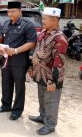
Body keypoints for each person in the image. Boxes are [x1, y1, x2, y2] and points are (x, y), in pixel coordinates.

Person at [0, 1, 37, 120]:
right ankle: (5, 105)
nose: (10, 13)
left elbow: (31, 43)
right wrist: (0, 49)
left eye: (13, 11)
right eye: (9, 11)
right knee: (6, 83)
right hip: (6, 60)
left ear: (20, 11)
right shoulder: (6, 24)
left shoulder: (27, 25)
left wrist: (16, 50)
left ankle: (17, 110)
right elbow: (3, 39)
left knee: (19, 86)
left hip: (19, 61)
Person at [28, 7, 68, 135]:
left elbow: (59, 62)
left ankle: (50, 125)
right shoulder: (43, 33)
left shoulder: (60, 38)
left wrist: (53, 80)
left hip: (51, 77)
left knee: (51, 101)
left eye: (45, 19)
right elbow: (36, 51)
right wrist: (31, 67)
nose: (42, 21)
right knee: (42, 98)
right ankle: (42, 116)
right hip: (40, 73)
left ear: (55, 20)